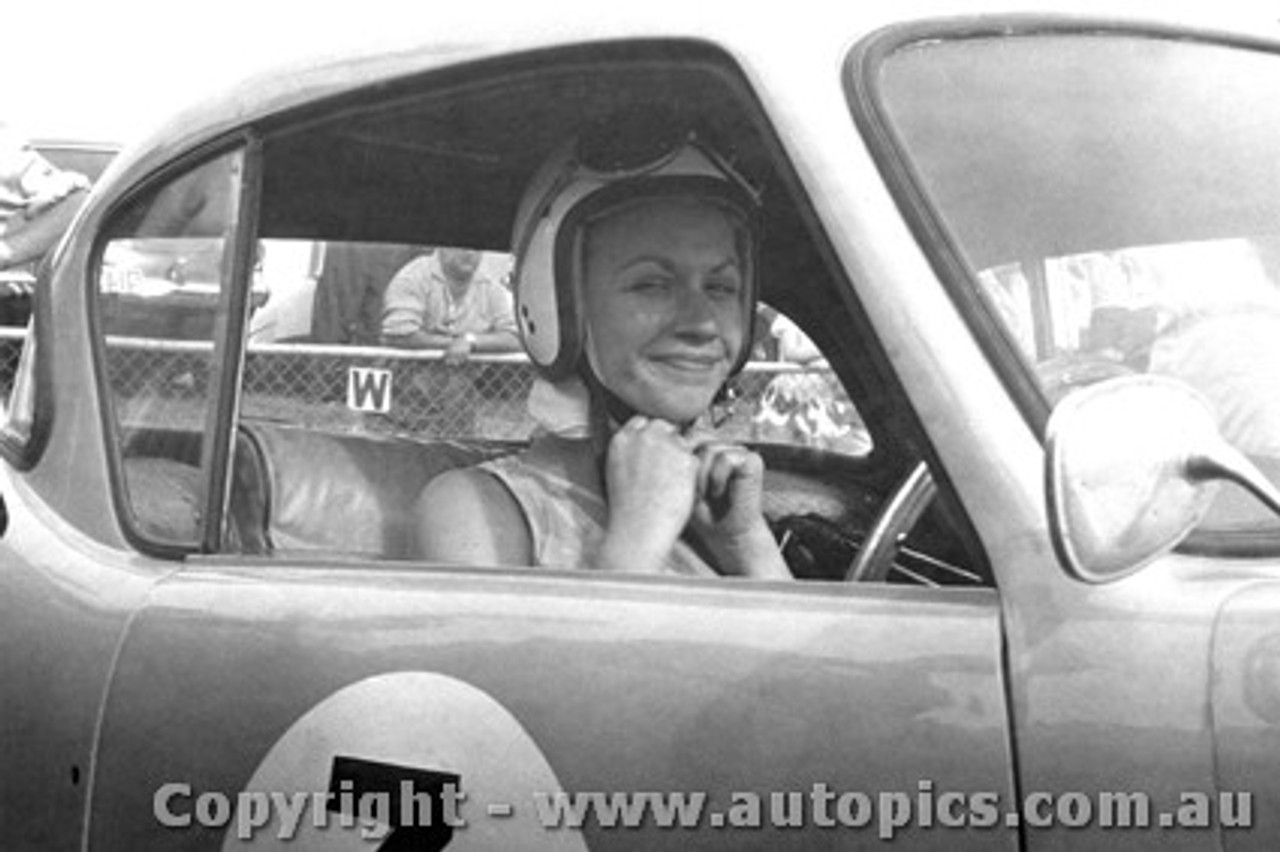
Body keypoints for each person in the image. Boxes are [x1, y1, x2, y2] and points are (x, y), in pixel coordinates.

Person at [412, 119, 792, 579]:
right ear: (557, 303)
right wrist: (638, 541)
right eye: (652, 284)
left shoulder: (721, 513)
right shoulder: (475, 508)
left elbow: (817, 656)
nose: (702, 322)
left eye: (721, 286)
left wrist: (746, 545)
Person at [380, 247, 520, 364]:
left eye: (477, 248)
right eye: (462, 246)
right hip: (405, 382)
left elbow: (516, 339)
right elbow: (398, 334)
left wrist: (470, 341)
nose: (470, 253)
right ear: (443, 247)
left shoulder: (490, 288)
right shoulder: (412, 277)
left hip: (465, 387)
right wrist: (452, 343)